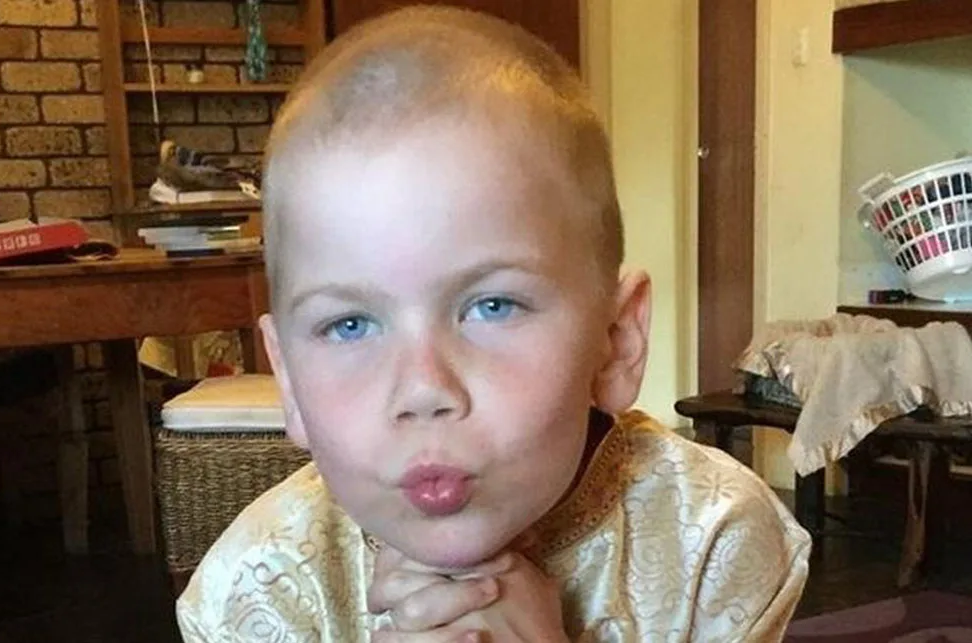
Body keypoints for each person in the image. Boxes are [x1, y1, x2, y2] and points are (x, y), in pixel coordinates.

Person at [176, 6, 811, 642]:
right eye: (349, 325)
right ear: (287, 380)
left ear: (615, 341)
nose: (423, 389)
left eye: (492, 306)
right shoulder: (250, 588)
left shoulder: (713, 539)